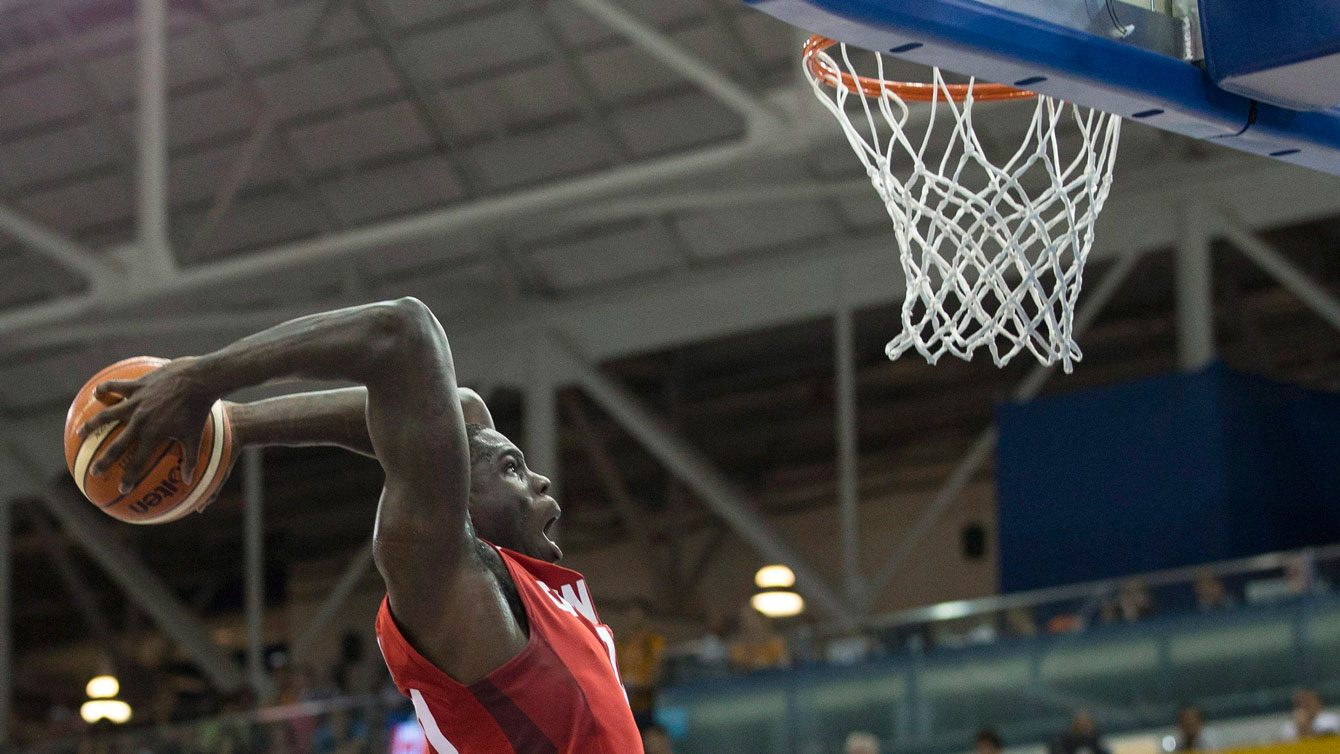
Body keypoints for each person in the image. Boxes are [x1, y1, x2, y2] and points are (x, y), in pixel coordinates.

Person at [78, 299, 642, 754]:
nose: (541, 481)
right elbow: (401, 334)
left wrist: (237, 425)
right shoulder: (442, 576)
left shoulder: (543, 601)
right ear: (453, 493)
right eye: (513, 469)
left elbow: (458, 408)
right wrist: (201, 379)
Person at [729, 603, 789, 671]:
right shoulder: (737, 648)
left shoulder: (776, 643)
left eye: (752, 619)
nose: (749, 624)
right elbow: (737, 670)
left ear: (762, 621)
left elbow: (784, 665)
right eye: (745, 620)